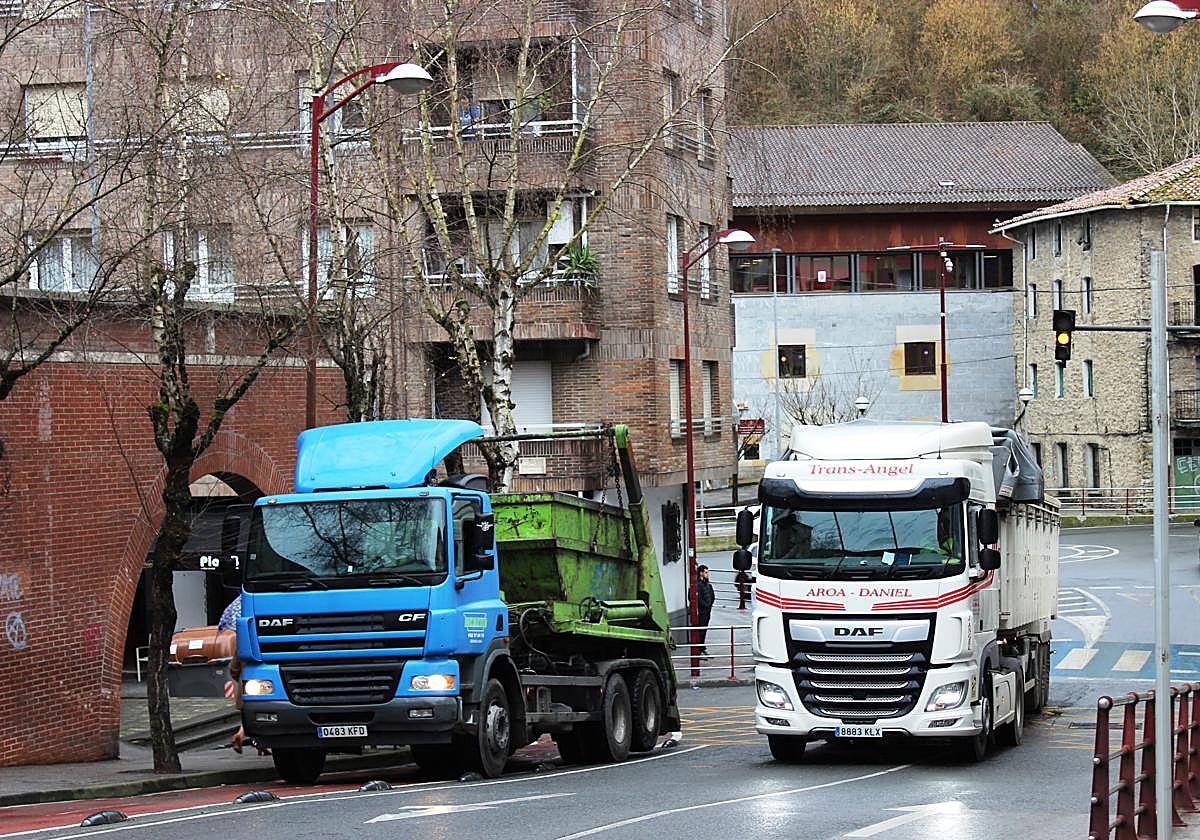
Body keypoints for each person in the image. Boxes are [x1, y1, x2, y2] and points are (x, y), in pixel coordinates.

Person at [696, 565, 715, 656]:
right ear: (701, 573)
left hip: (707, 611)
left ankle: (702, 647)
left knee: (704, 630)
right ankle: (699, 649)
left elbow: (712, 596)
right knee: (701, 630)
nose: (707, 574)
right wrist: (706, 605)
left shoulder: (708, 585)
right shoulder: (698, 585)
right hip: (702, 612)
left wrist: (709, 605)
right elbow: (698, 599)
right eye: (706, 572)